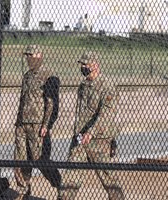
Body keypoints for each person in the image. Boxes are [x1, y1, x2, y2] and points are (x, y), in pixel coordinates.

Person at [57, 51, 125, 200]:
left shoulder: (107, 86)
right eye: (81, 64)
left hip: (99, 140)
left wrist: (91, 132)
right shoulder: (83, 86)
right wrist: (78, 132)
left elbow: (106, 114)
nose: (82, 67)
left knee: (109, 179)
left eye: (85, 64)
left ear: (95, 65)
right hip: (81, 138)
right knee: (70, 177)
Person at [14, 45, 61, 200]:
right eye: (26, 55)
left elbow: (51, 103)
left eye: (31, 54)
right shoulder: (27, 76)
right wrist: (18, 122)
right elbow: (22, 100)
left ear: (40, 55)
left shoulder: (48, 76)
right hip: (22, 124)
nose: (28, 58)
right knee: (20, 160)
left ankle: (59, 184)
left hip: (37, 125)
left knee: (39, 160)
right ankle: (23, 191)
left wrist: (46, 125)